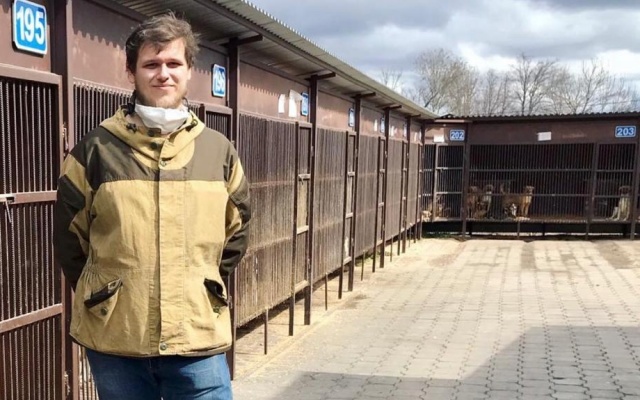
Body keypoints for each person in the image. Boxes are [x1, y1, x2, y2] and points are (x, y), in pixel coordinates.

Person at [53, 12, 250, 400]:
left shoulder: (219, 152)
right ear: (131, 72)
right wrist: (108, 294)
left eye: (174, 63)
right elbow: (70, 240)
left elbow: (237, 232)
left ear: (189, 71)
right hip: (117, 339)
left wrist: (201, 285)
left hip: (197, 337)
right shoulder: (94, 151)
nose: (164, 74)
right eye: (151, 64)